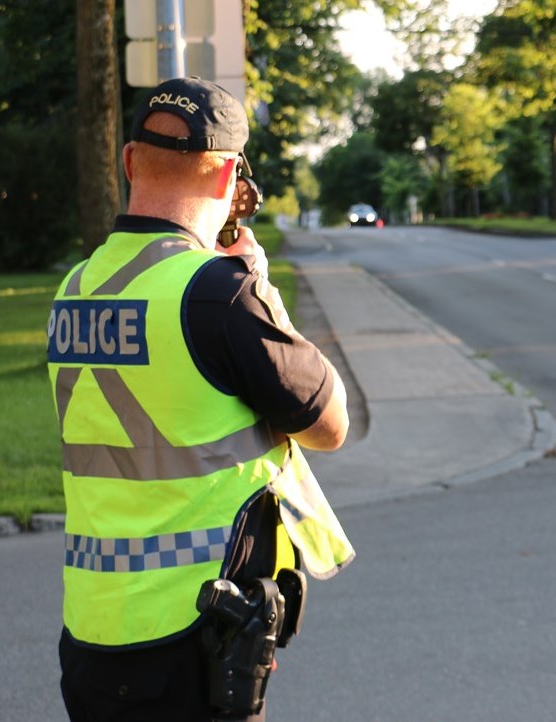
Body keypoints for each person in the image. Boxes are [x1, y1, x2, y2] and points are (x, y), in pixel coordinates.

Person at [48, 76, 355, 722]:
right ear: (226, 181)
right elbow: (330, 424)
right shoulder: (222, 295)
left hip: (91, 638)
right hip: (198, 640)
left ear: (129, 162)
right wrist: (261, 293)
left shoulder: (73, 291)